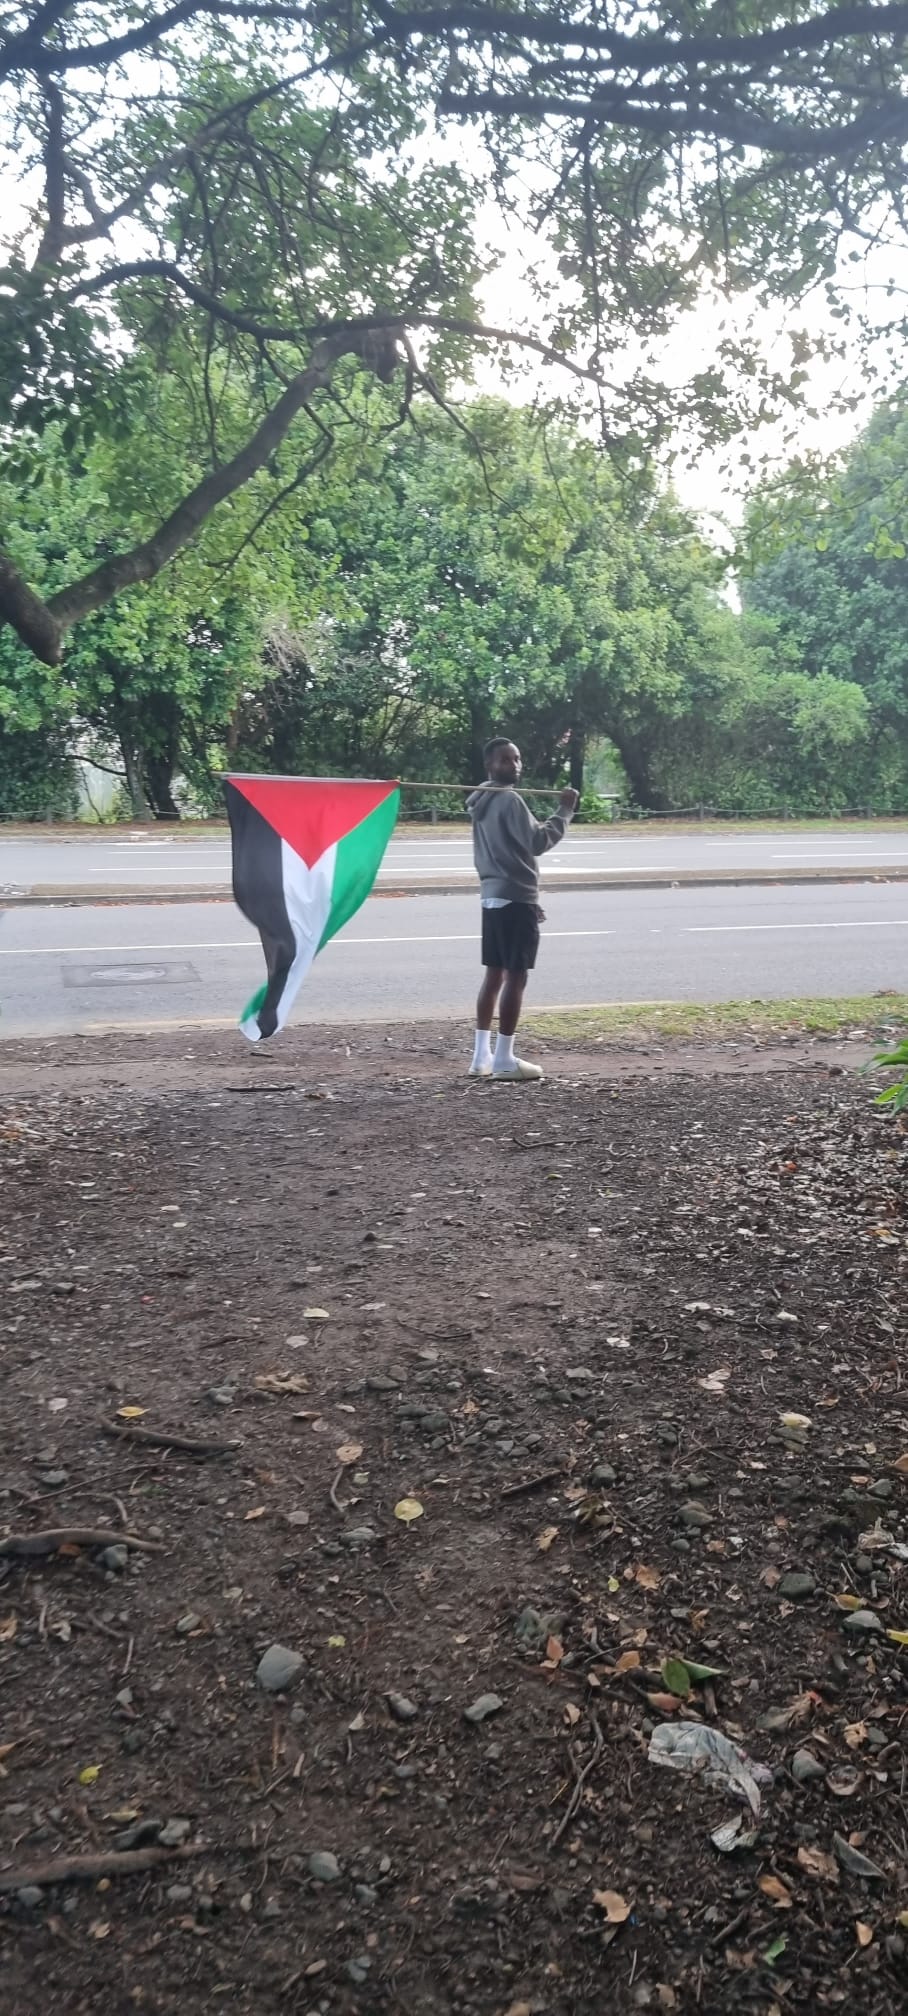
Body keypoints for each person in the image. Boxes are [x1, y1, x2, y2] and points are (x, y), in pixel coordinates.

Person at [466, 738, 578, 1081]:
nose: (514, 765)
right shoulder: (508, 800)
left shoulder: (481, 800)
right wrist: (565, 810)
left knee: (495, 973)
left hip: (494, 896)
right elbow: (537, 842)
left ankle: (480, 1056)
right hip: (513, 899)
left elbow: (511, 854)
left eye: (517, 758)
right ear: (490, 765)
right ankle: (504, 1059)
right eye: (505, 759)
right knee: (516, 976)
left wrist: (528, 896)